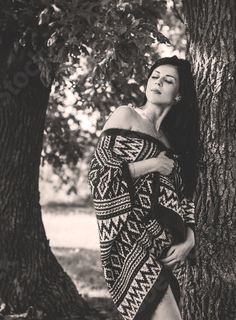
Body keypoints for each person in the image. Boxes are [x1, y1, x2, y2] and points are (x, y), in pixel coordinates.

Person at [88, 56, 199, 320]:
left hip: (164, 246)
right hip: (129, 240)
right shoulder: (126, 115)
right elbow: (99, 175)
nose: (158, 82)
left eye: (168, 80)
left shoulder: (174, 140)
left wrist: (190, 238)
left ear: (179, 95)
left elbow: (185, 195)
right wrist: (152, 164)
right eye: (155, 76)